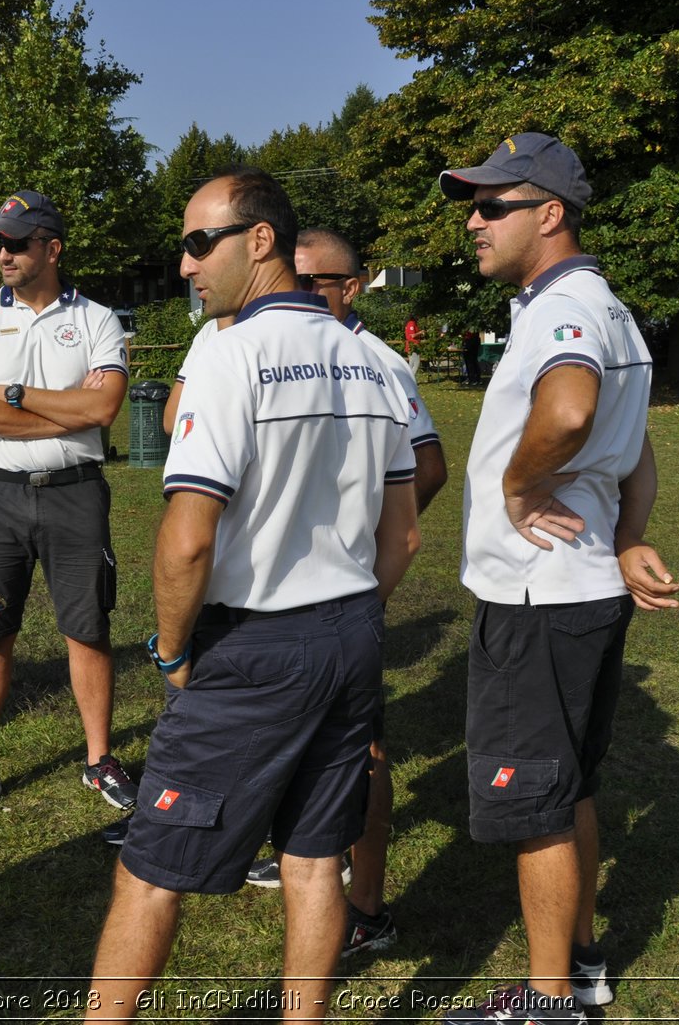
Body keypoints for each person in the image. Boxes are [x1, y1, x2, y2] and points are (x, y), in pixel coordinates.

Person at [86, 168, 420, 1020]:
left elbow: (188, 537)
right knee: (314, 858)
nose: (187, 265)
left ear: (260, 241)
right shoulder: (376, 361)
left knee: (153, 864)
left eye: (202, 243)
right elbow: (404, 535)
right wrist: (351, 617)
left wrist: (169, 650)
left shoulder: (230, 357)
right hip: (350, 634)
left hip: (254, 644)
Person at [437, 133, 668, 1025]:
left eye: (493, 205)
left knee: (532, 797)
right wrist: (628, 535)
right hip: (580, 588)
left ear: (550, 213)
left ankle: (546, 1003)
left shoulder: (562, 307)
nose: (474, 220)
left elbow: (571, 408)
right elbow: (638, 448)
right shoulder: (605, 305)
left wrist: (517, 482)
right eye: (475, 203)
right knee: (568, 784)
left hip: (538, 595)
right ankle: (578, 961)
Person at [240, 227, 447, 957]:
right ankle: (310, 853)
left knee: (364, 746)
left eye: (315, 282)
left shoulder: (379, 363)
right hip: (284, 597)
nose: (297, 292)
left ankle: (367, 904)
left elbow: (429, 465)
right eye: (288, 279)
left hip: (344, 593)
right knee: (307, 742)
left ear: (352, 288)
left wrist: (366, 539)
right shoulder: (272, 351)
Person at [0, 189, 136, 818]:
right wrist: (65, 415)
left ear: (52, 248)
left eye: (17, 242)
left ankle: (98, 758)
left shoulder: (99, 319)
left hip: (75, 495)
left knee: (88, 629)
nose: (4, 252)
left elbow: (105, 409)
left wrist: (16, 395)